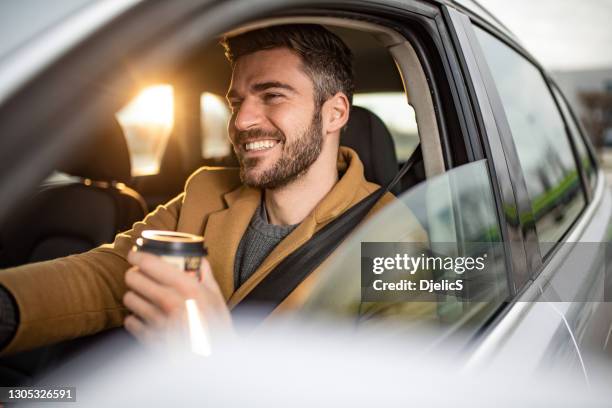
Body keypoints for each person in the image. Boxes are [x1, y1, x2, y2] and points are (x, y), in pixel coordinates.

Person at [0, 24, 420, 355]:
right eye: (237, 102)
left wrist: (215, 355)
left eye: (272, 95)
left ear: (334, 113)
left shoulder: (402, 238)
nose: (239, 122)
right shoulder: (203, 191)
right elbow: (110, 272)